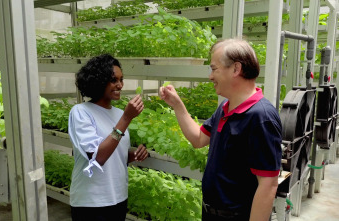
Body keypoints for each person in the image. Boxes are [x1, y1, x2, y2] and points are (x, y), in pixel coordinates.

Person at [159, 38, 282, 221]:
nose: (210, 76)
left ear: (236, 69)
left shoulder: (261, 117)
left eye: (214, 69)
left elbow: (268, 185)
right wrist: (177, 105)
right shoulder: (226, 107)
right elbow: (198, 138)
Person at [68, 54, 149, 221]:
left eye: (121, 79)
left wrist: (133, 155)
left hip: (118, 198)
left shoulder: (118, 114)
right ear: (98, 81)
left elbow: (115, 154)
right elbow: (97, 158)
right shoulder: (81, 112)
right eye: (113, 80)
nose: (120, 85)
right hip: (91, 202)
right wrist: (126, 119)